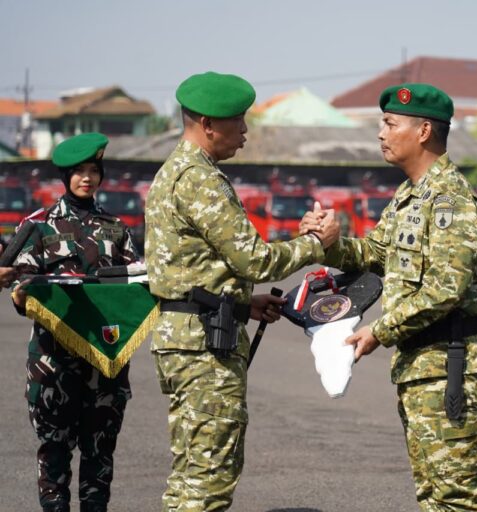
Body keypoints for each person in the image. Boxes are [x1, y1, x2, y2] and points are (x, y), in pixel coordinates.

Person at [143, 71, 339, 512]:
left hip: (193, 333)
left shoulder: (178, 171)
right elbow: (254, 260)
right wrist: (314, 244)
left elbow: (193, 269)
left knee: (193, 471)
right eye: (238, 121)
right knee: (208, 481)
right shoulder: (198, 178)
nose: (246, 131)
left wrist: (242, 304)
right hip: (202, 347)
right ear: (209, 123)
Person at [306, 83, 477, 511]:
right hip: (421, 365)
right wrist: (333, 241)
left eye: (390, 124)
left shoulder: (453, 201)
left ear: (423, 132)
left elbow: (444, 290)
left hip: (454, 363)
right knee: (434, 494)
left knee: (457, 496)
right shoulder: (408, 198)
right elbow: (376, 254)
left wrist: (379, 330)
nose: (380, 133)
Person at [10, 132, 139, 512]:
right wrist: (25, 291)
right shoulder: (38, 226)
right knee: (54, 448)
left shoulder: (116, 228)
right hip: (54, 359)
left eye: (94, 171)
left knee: (100, 451)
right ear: (65, 177)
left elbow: (135, 284)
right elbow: (20, 287)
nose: (87, 178)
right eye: (79, 171)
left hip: (106, 356)